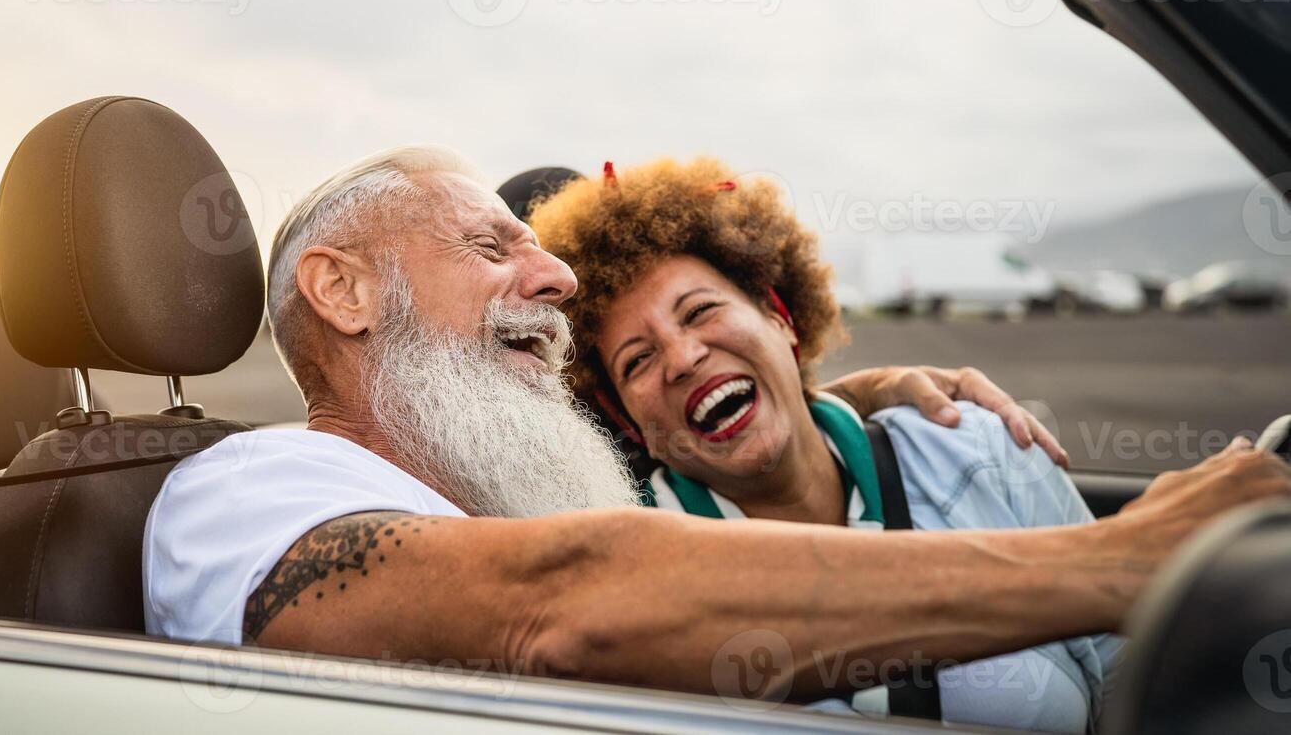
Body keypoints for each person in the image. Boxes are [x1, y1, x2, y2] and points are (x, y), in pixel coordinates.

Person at [142, 145, 1291, 711]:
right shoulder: (246, 488)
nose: (552, 276)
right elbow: (563, 599)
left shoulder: (528, 495)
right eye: (494, 246)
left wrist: (843, 400)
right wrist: (1133, 555)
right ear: (343, 293)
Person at [526, 156, 1121, 730]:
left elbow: (1128, 669)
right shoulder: (625, 580)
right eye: (638, 360)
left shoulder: (979, 447)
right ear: (626, 419)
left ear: (780, 317)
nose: (682, 358)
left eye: (701, 310)